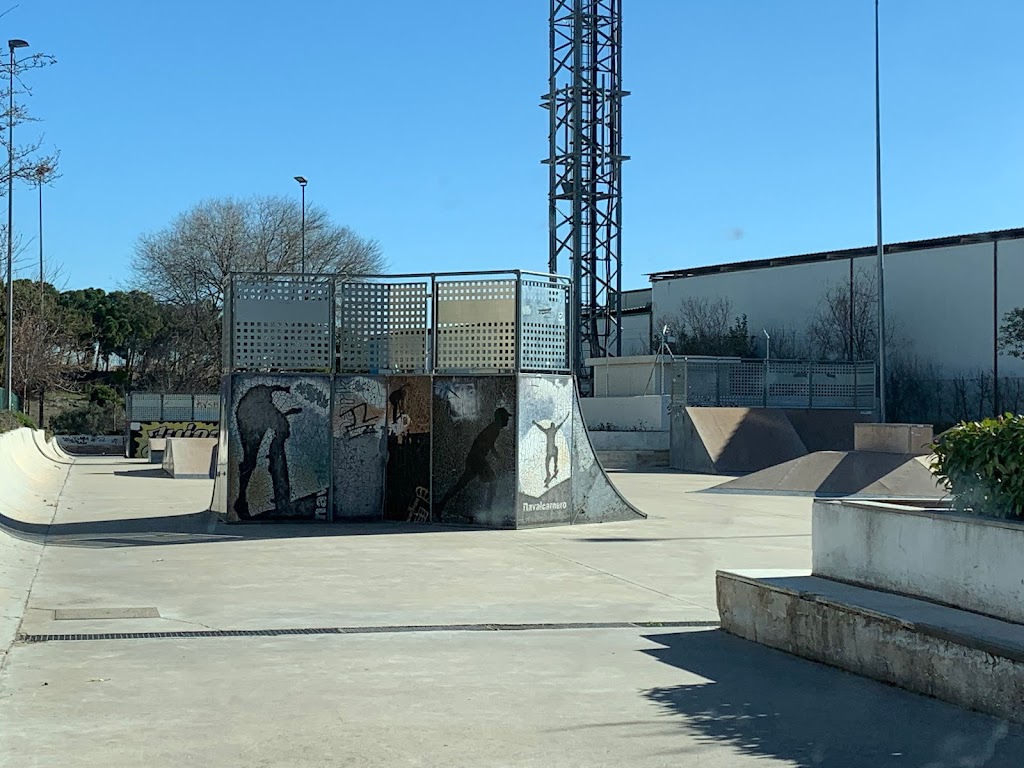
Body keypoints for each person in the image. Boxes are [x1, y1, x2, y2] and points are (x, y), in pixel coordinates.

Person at [234, 384, 302, 520]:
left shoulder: (263, 396)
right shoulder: (262, 403)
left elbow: (275, 394)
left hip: (249, 415)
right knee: (250, 461)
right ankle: (242, 498)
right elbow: (275, 418)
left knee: (251, 461)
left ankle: (244, 497)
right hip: (249, 417)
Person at [435, 407, 512, 521]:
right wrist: (484, 462)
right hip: (477, 459)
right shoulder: (494, 429)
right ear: (500, 418)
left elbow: (488, 444)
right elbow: (482, 443)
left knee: (461, 484)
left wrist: (495, 456)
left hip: (476, 459)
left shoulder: (494, 429)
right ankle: (488, 511)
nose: (507, 420)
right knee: (493, 482)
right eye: (506, 418)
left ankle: (440, 505)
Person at [532, 414, 569, 486]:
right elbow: (541, 428)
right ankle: (549, 473)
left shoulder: (549, 431)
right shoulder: (551, 431)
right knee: (548, 462)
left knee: (550, 461)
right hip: (551, 450)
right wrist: (536, 423)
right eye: (553, 426)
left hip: (551, 450)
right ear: (552, 426)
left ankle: (553, 470)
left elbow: (541, 428)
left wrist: (536, 423)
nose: (553, 428)